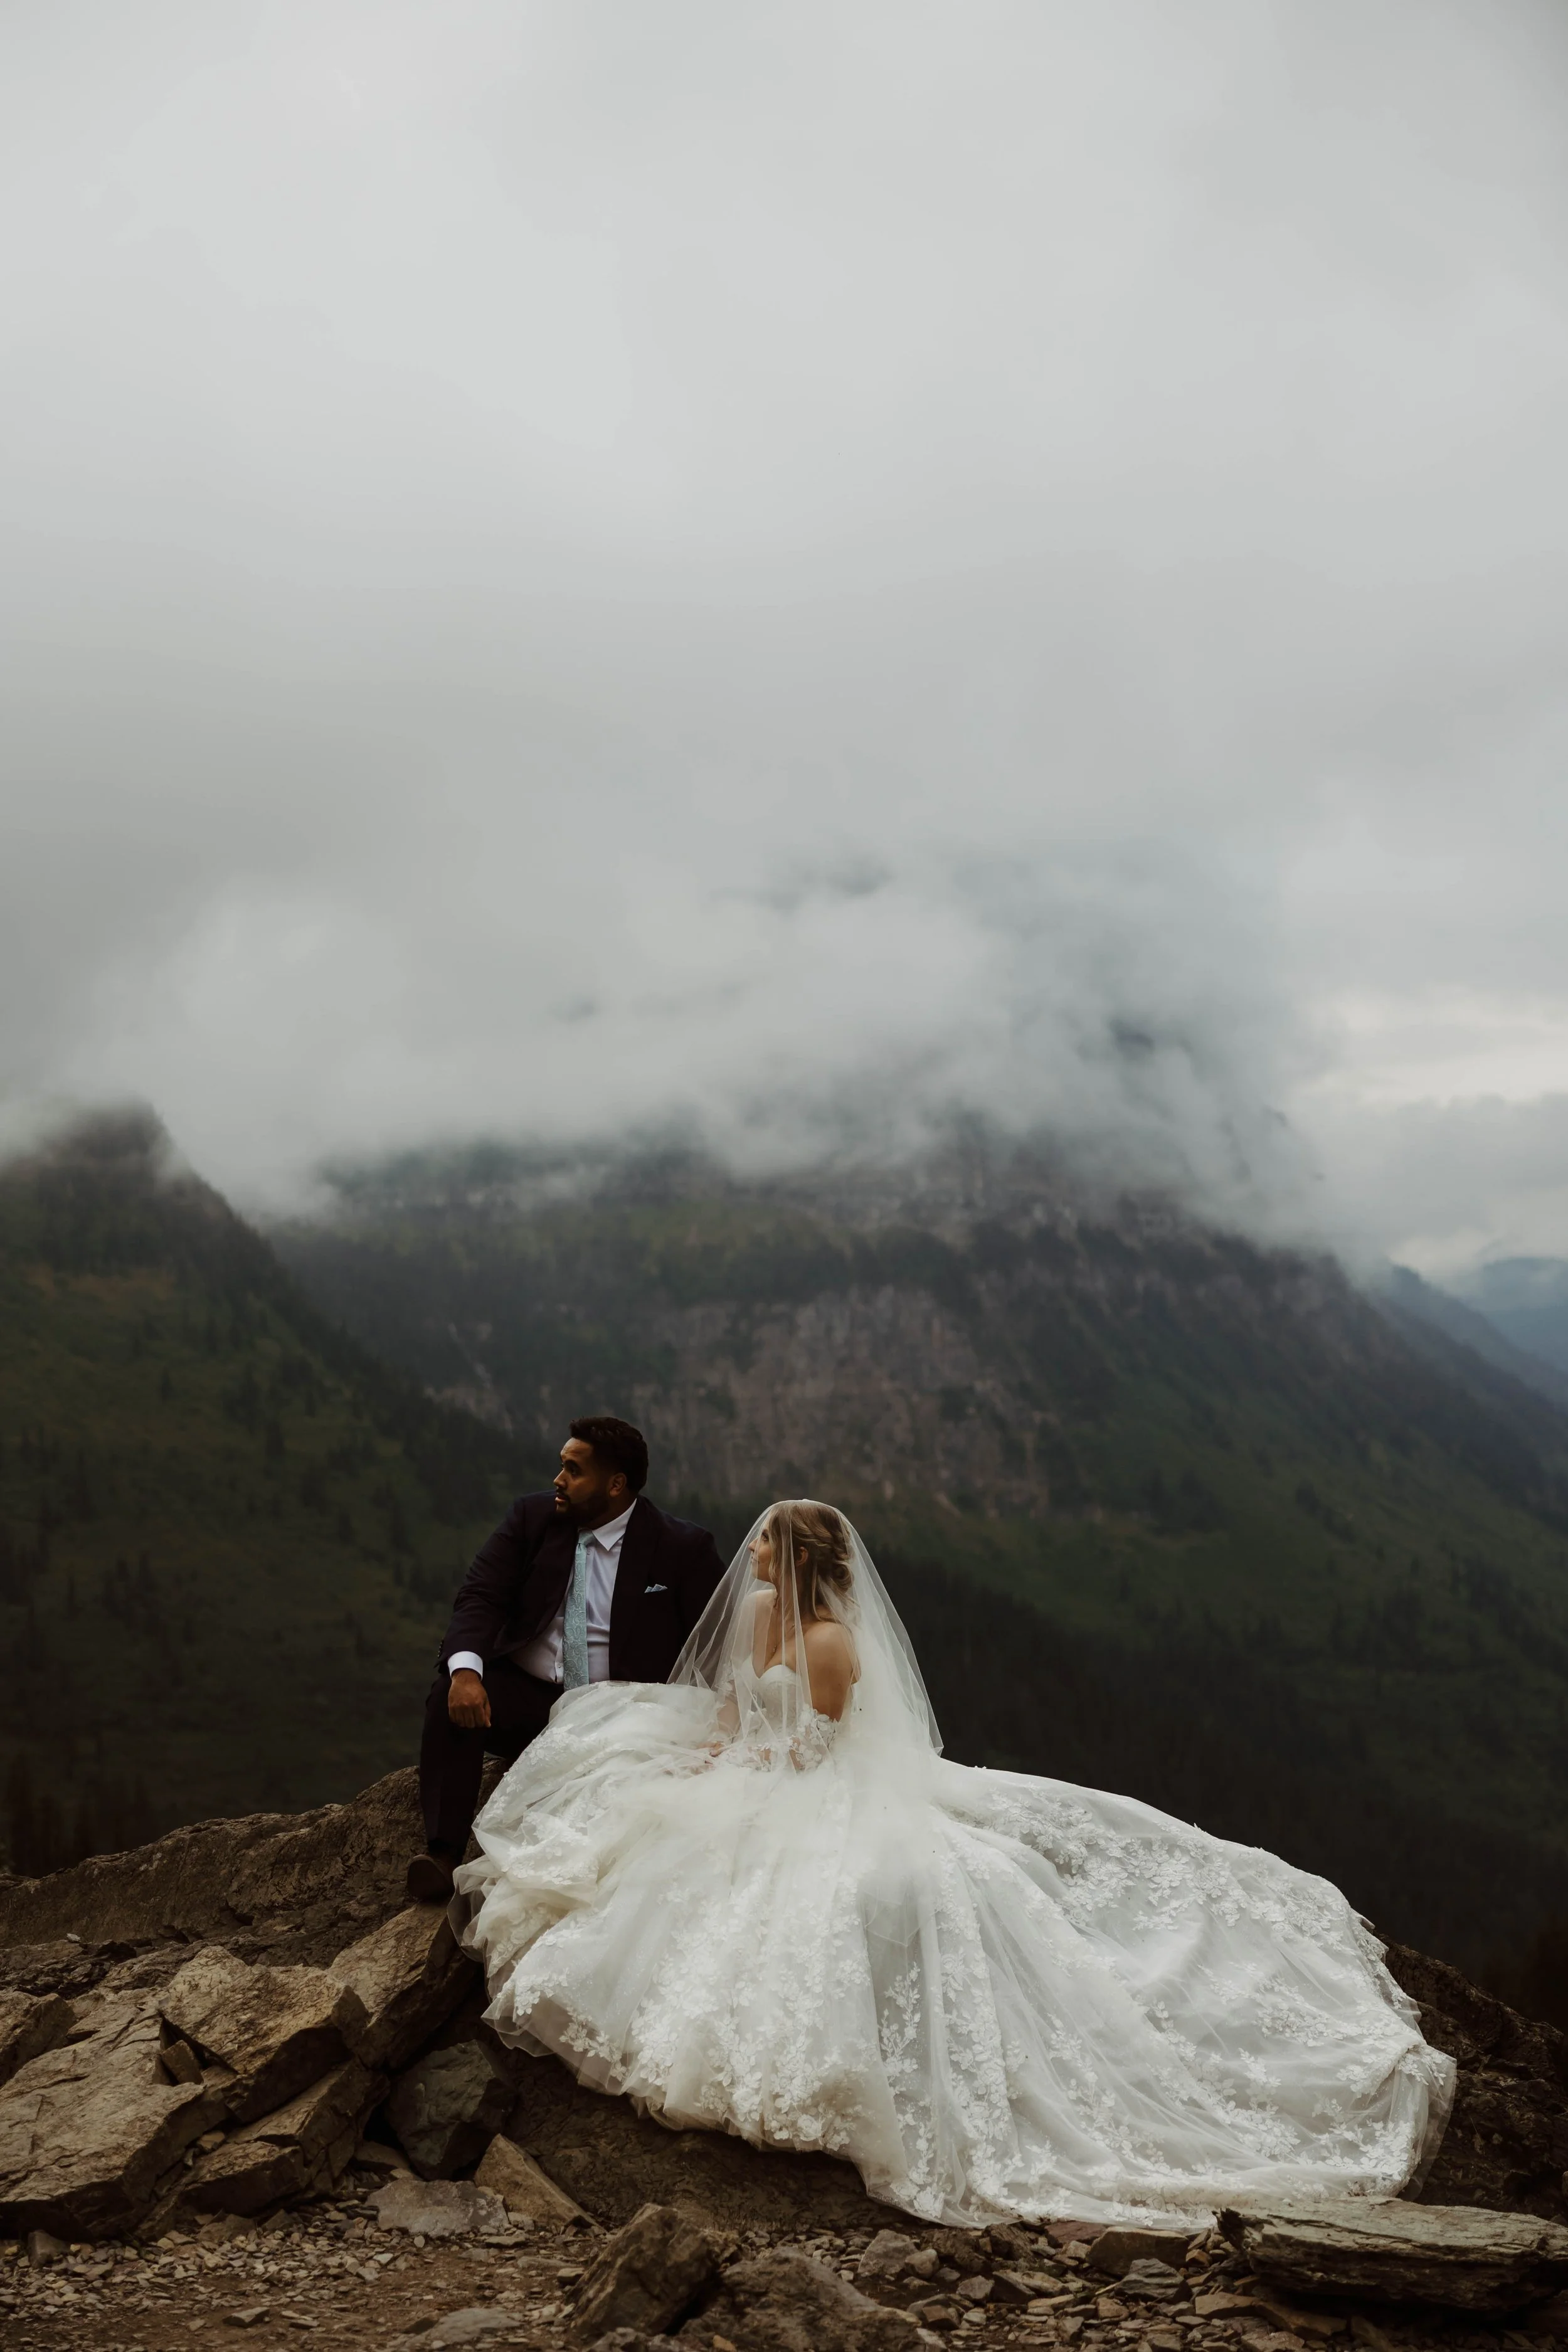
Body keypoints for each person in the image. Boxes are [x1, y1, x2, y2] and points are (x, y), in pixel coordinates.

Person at [453, 1500, 1456, 2228]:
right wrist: (719, 1753)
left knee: (837, 1890)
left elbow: (821, 1747)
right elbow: (733, 1710)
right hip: (761, 1769)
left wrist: (760, 1776)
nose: (747, 1547)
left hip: (821, 1785)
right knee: (635, 1822)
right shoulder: (761, 1616)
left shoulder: (831, 1640)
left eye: (765, 1539)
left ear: (799, 1556)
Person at [406, 1415, 724, 1903]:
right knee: (448, 1696)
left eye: (574, 1471)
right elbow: (481, 1597)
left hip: (623, 1715)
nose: (558, 1480)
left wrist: (710, 1731)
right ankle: (443, 1854)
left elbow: (715, 1640)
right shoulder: (532, 1520)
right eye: (561, 1466)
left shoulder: (682, 1547)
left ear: (616, 1485)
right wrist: (467, 1670)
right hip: (530, 1700)